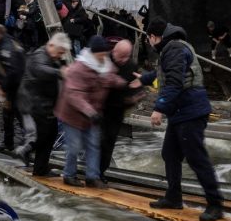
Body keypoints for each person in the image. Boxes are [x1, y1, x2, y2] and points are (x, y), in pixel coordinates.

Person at [141, 18, 224, 221]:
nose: (149, 43)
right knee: (169, 153)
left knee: (197, 158)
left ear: (154, 37)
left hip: (191, 112)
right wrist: (143, 79)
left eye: (149, 39)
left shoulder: (174, 49)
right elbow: (165, 73)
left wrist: (159, 108)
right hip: (181, 112)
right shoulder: (171, 48)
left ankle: (215, 205)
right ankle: (173, 197)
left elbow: (175, 83)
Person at [54, 36, 124, 188]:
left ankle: (92, 177)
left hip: (92, 115)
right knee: (74, 146)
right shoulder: (78, 68)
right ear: (93, 53)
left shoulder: (106, 65)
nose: (104, 56)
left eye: (105, 53)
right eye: (101, 54)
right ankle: (69, 175)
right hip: (72, 114)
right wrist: (90, 112)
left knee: (93, 145)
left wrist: (125, 84)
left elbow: (111, 78)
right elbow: (74, 94)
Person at [16, 32, 71, 176]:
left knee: (51, 134)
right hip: (34, 103)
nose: (59, 56)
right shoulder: (39, 55)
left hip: (46, 103)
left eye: (62, 54)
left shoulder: (54, 57)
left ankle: (40, 168)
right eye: (59, 52)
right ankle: (26, 149)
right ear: (51, 45)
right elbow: (41, 70)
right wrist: (60, 72)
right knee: (44, 134)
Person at [100, 39, 143, 180]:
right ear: (114, 51)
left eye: (127, 56)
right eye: (121, 56)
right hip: (101, 108)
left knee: (109, 142)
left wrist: (134, 98)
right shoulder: (105, 60)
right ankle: (91, 172)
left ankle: (101, 172)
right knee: (97, 141)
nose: (123, 60)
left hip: (118, 110)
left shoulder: (131, 65)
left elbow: (136, 86)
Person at [0, 23, 26, 150]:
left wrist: (3, 88)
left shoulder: (7, 49)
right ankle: (8, 142)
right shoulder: (10, 42)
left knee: (18, 115)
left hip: (15, 88)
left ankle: (27, 144)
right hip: (15, 86)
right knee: (9, 115)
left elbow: (13, 72)